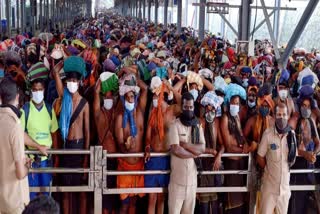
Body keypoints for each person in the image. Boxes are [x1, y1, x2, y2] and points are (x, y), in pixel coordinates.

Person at [52, 57, 90, 214]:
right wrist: (65, 61)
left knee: (81, 192)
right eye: (69, 80)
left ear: (79, 82)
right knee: (66, 192)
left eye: (74, 80)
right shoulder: (64, 97)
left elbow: (88, 133)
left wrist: (86, 159)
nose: (71, 83)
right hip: (66, 148)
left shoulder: (85, 104)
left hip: (80, 149)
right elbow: (55, 72)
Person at [144, 77, 179, 214]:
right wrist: (147, 147)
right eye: (153, 95)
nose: (153, 98)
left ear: (161, 96)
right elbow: (148, 134)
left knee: (162, 198)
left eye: (155, 95)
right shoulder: (152, 113)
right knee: (152, 197)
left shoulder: (172, 111)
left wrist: (170, 88)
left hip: (166, 159)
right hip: (153, 158)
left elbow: (183, 102)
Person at [115, 73, 148, 214]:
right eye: (127, 96)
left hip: (139, 167)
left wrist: (133, 77)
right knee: (124, 205)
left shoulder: (140, 113)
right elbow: (120, 145)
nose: (130, 99)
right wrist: (126, 146)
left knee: (134, 204)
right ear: (123, 99)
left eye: (132, 96)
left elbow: (145, 89)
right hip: (125, 167)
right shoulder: (119, 118)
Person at [167, 92, 205, 214]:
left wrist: (187, 146)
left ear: (194, 107)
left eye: (191, 107)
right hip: (177, 183)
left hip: (192, 183)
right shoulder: (175, 125)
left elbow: (202, 148)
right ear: (182, 108)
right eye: (186, 107)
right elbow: (176, 149)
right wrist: (194, 153)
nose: (189, 110)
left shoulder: (197, 126)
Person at [21, 77, 59, 200]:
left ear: (44, 91)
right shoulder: (25, 110)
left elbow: (54, 133)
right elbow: (19, 135)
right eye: (35, 90)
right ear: (31, 91)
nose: (37, 92)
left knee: (46, 196)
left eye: (40, 90)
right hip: (31, 161)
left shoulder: (49, 110)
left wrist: (56, 156)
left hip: (46, 160)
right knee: (31, 196)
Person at [257, 103, 297, 214]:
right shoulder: (268, 134)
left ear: (288, 116)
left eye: (284, 114)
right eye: (279, 114)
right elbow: (260, 157)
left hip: (284, 190)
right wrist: (269, 170)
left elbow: (293, 157)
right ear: (274, 116)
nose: (282, 117)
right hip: (269, 189)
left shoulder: (291, 135)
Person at [220, 83, 252, 213]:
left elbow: (241, 135)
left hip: (241, 163)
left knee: (241, 200)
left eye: (237, 103)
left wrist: (245, 144)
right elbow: (228, 146)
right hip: (231, 163)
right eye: (233, 102)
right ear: (228, 102)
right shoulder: (225, 118)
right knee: (233, 202)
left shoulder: (237, 117)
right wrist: (245, 150)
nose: (235, 105)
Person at [0, 77, 30, 214]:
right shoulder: (14, 125)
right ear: (17, 97)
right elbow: (20, 173)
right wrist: (27, 166)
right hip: (14, 201)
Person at [289, 85, 320, 214]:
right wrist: (304, 153)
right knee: (296, 201)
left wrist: (314, 152)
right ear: (300, 105)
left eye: (308, 106)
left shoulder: (311, 121)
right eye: (304, 105)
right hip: (296, 166)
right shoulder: (295, 120)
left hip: (308, 166)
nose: (306, 108)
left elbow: (318, 142)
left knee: (307, 200)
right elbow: (289, 144)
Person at [94, 72, 119, 214]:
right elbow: (96, 93)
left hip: (115, 160)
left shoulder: (117, 113)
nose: (109, 98)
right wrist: (99, 86)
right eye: (106, 96)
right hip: (103, 160)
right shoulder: (99, 114)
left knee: (114, 199)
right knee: (103, 198)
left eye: (111, 96)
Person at [198, 91, 225, 214]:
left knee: (214, 203)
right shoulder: (200, 123)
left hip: (213, 168)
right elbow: (195, 146)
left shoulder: (216, 123)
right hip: (202, 168)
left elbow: (222, 145)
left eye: (212, 108)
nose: (210, 111)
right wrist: (210, 151)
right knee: (203, 206)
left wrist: (219, 155)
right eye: (208, 109)